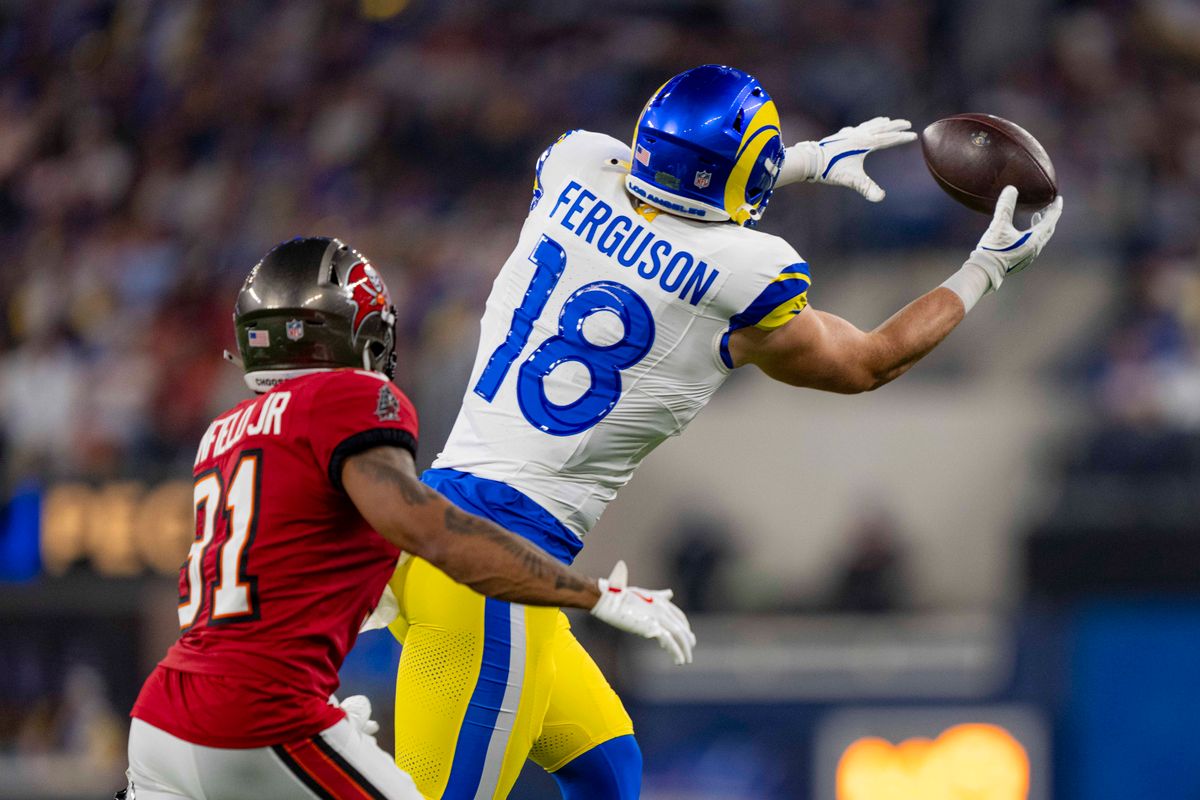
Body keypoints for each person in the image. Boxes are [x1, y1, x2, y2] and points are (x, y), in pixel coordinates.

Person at [386, 64, 1064, 798]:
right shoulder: (743, 275)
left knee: (609, 771)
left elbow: (659, 194)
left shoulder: (576, 165)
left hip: (439, 529)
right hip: (498, 574)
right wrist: (983, 270)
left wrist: (801, 161)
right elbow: (868, 362)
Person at [120, 237, 694, 800]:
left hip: (161, 718)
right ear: (360, 334)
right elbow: (433, 533)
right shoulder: (343, 398)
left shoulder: (222, 433)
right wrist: (589, 594)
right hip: (264, 716)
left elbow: (285, 562)